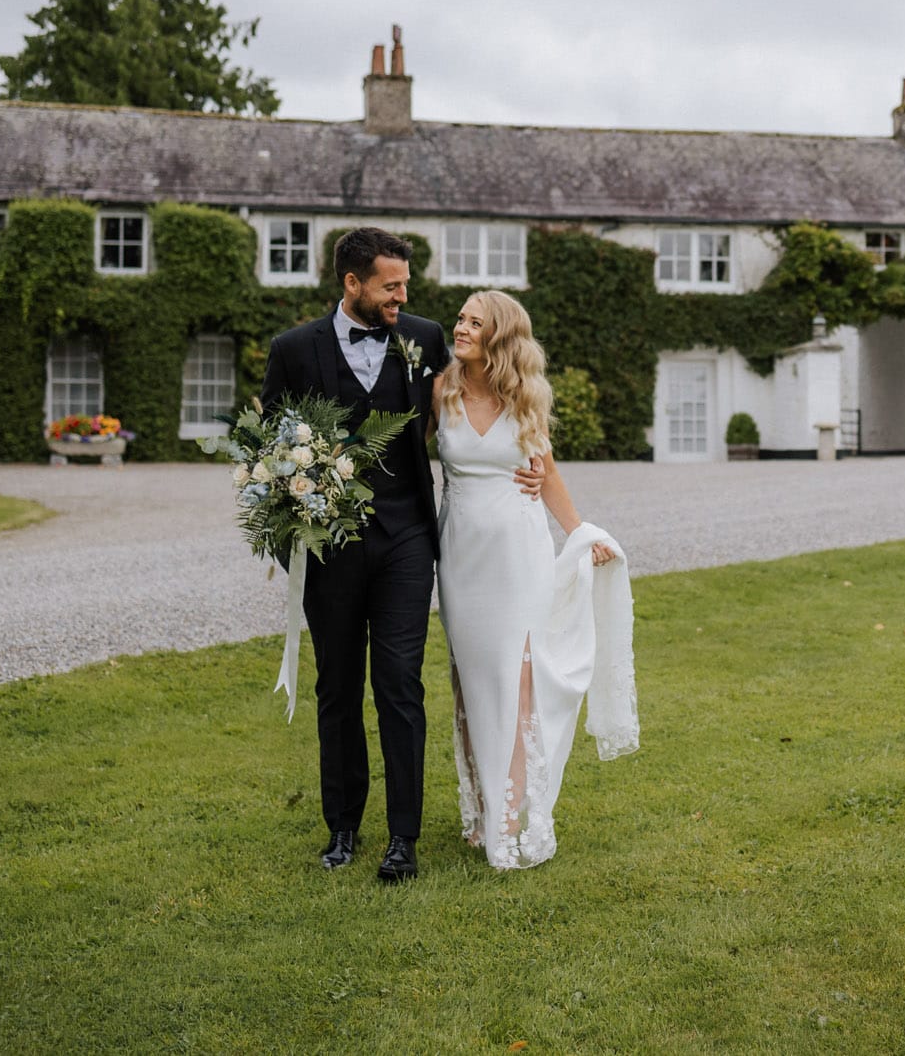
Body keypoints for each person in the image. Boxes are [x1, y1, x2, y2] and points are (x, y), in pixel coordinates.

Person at [260, 227, 540, 883]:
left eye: (405, 284)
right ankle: (342, 825)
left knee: (399, 683)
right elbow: (271, 449)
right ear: (352, 283)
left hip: (408, 538)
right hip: (330, 549)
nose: (402, 295)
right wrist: (288, 522)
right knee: (337, 686)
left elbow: (490, 393)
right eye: (390, 285)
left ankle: (402, 838)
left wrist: (521, 464)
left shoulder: (425, 337)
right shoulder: (294, 349)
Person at [435, 289, 638, 870]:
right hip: (461, 560)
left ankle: (511, 817)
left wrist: (581, 533)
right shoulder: (440, 390)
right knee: (472, 684)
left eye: (476, 322)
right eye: (461, 319)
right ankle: (480, 809)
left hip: (519, 556)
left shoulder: (526, 398)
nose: (463, 327)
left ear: (500, 336)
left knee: (518, 683)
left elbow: (544, 474)